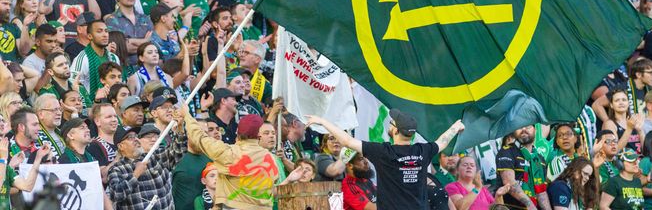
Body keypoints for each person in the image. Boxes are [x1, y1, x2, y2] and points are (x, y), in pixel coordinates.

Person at [307, 110, 465, 209]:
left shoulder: (383, 152)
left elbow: (348, 142)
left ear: (395, 130)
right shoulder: (423, 150)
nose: (390, 125)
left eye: (391, 123)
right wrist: (456, 127)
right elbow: (442, 141)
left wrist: (323, 122)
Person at [184, 111, 279, 210]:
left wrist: (186, 115)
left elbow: (199, 138)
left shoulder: (229, 153)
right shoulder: (270, 158)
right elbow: (273, 186)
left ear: (238, 132)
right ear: (259, 135)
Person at [108, 107, 187, 209]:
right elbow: (116, 195)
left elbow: (177, 152)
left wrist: (180, 128)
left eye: (136, 136)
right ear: (121, 146)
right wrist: (135, 175)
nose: (136, 139)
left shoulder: (155, 156)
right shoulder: (116, 169)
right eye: (130, 137)